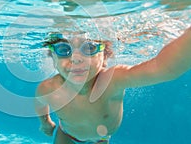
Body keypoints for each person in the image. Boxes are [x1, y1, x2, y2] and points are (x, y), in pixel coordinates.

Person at [35, 27, 191, 144]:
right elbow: (40, 102)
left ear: (104, 58)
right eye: (64, 49)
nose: (76, 58)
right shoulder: (48, 88)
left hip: (101, 138)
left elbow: (162, 68)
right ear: (53, 59)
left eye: (89, 48)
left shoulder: (112, 80)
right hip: (67, 134)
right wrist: (46, 122)